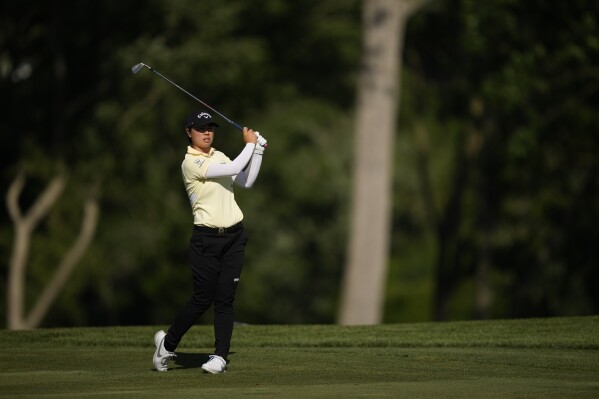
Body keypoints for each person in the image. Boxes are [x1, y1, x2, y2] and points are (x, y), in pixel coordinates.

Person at [153, 110, 266, 374]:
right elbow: (236, 167)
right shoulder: (190, 164)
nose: (207, 133)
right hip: (206, 240)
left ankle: (220, 357)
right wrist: (250, 144)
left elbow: (246, 180)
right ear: (188, 132)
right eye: (201, 128)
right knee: (202, 299)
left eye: (210, 128)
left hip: (235, 237)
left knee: (225, 299)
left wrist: (257, 151)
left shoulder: (219, 156)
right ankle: (167, 345)